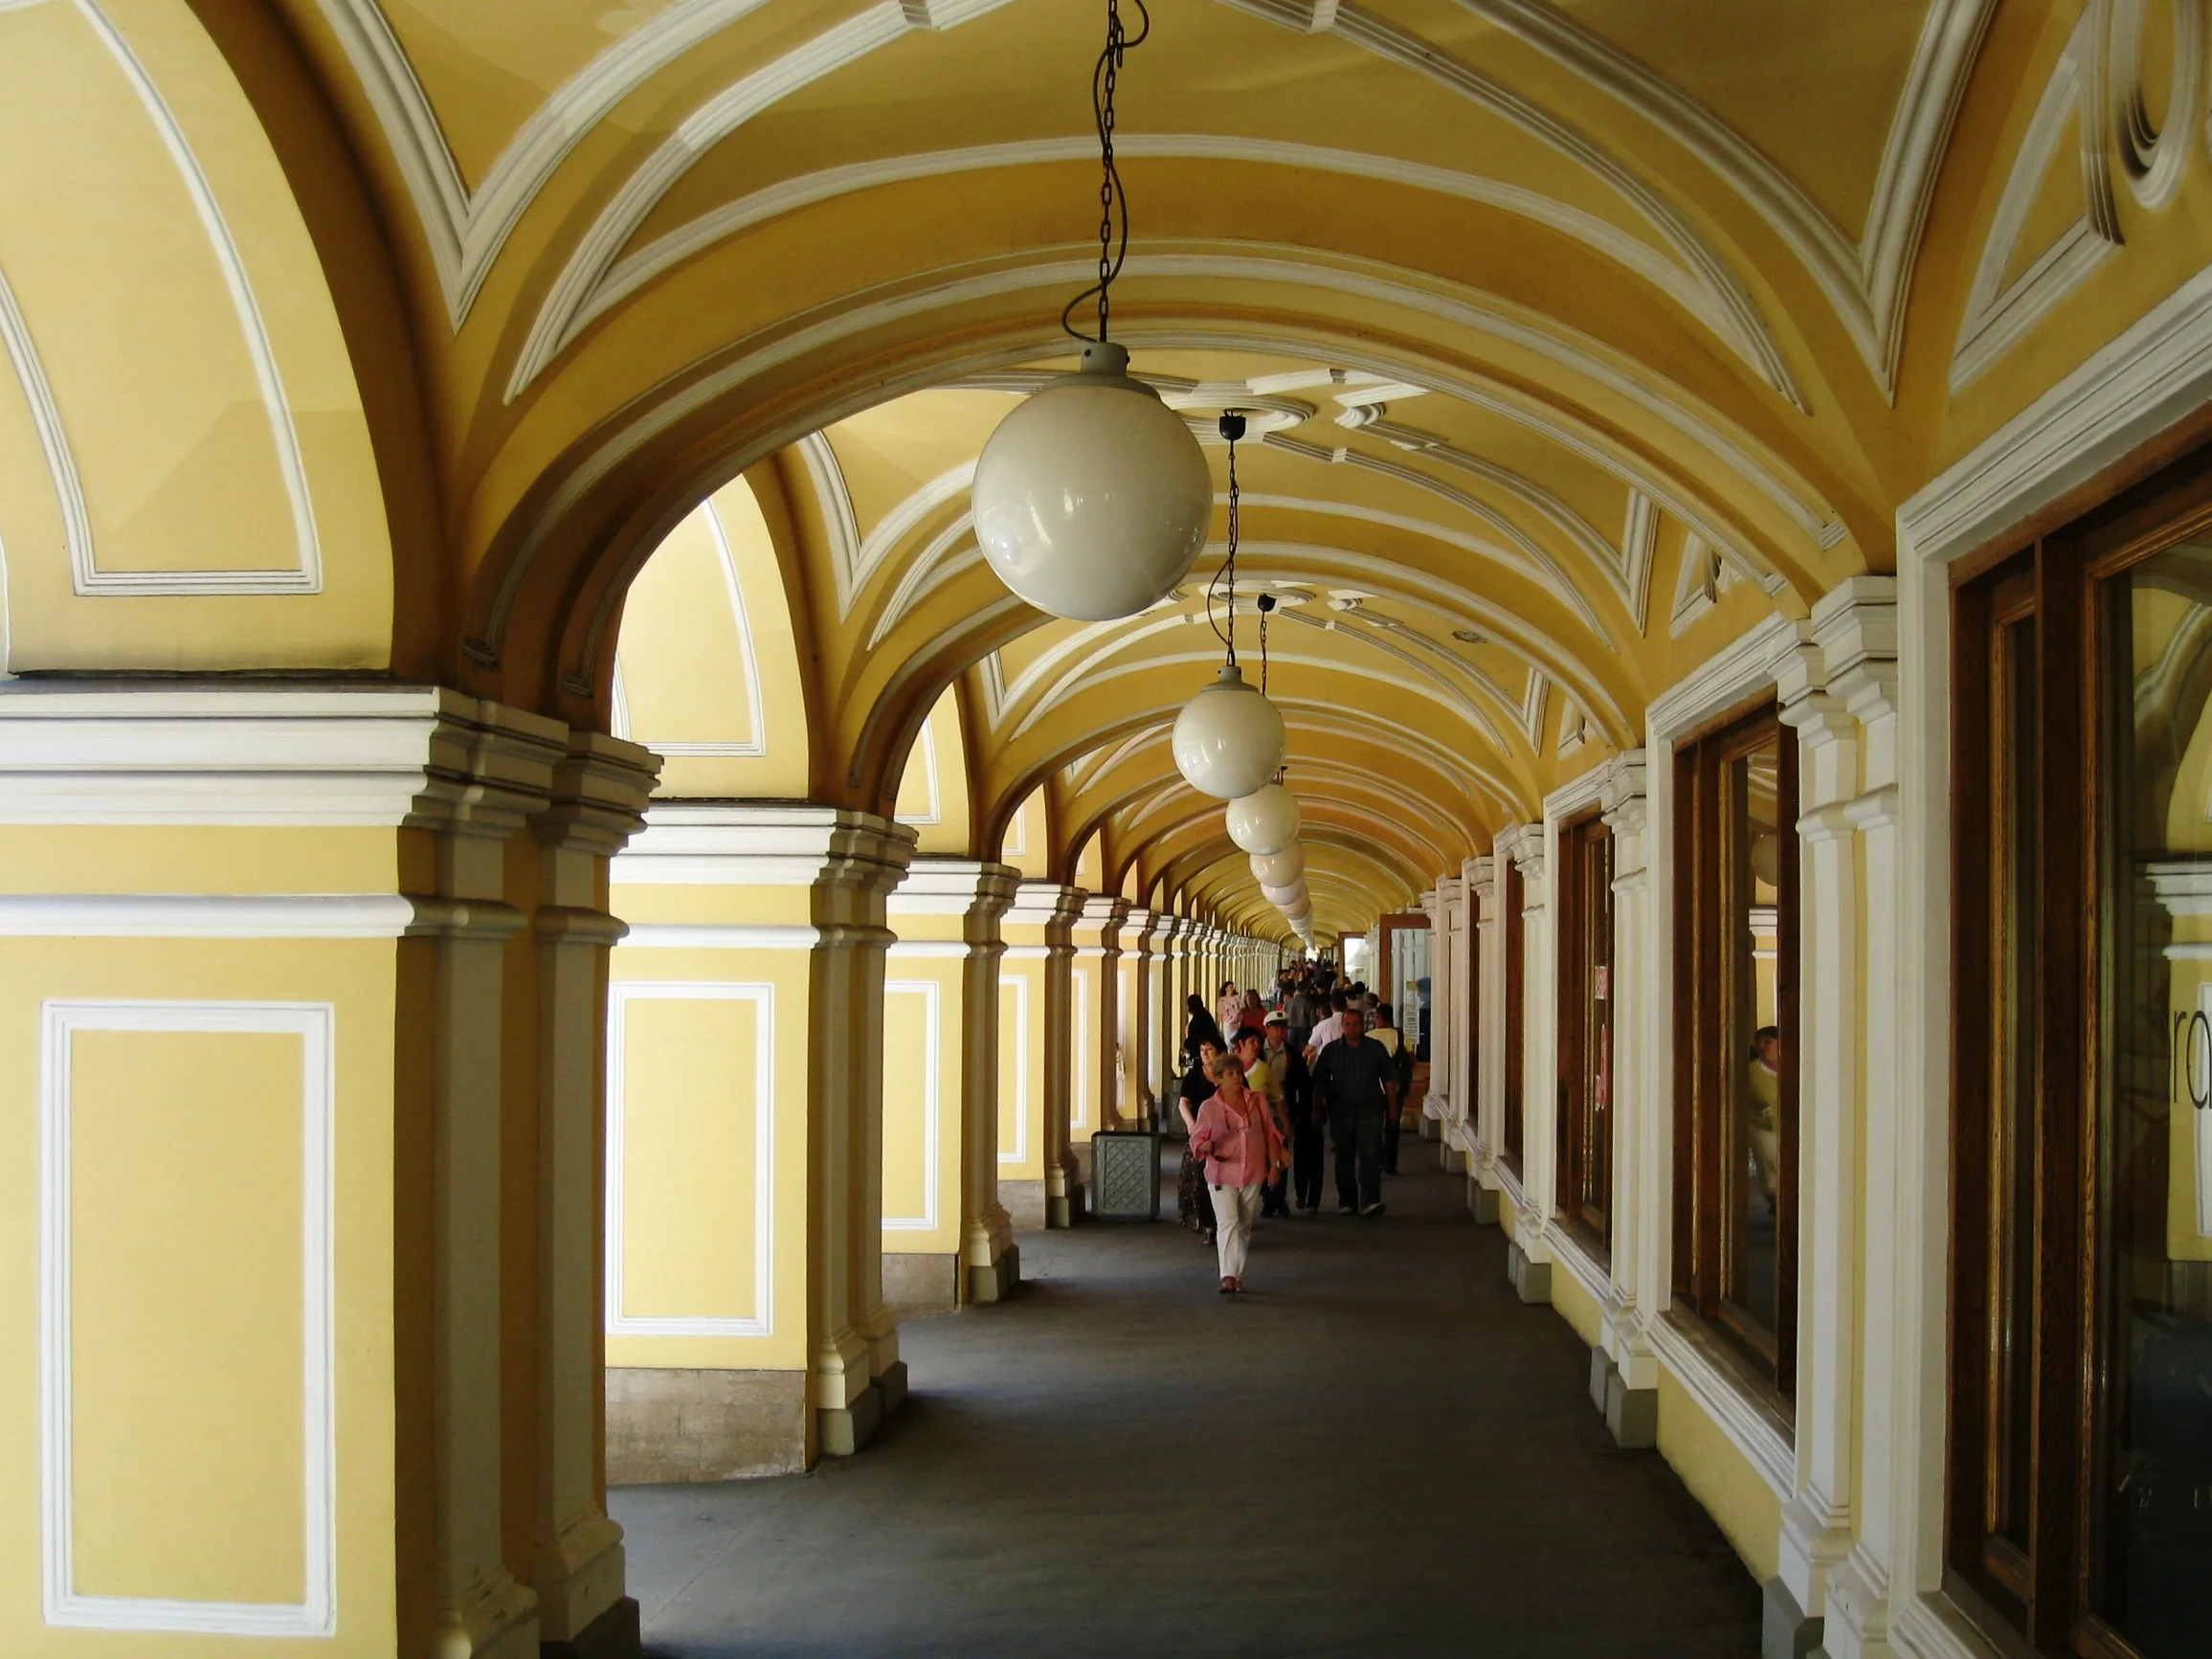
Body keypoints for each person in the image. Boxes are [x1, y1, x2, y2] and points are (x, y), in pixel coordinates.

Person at [1190, 1051, 1286, 1292]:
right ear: (1218, 1079)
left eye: (1238, 1073)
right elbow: (1197, 1140)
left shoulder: (1257, 1100)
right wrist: (1205, 1146)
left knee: (1244, 1224)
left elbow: (1270, 1133)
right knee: (1228, 1222)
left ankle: (1237, 1275)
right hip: (1222, 1174)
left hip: (1253, 1171)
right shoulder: (1209, 1108)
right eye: (1230, 1074)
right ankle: (1228, 1276)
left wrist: (1274, 1166)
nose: (1235, 1077)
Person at [1311, 1006, 1394, 1216]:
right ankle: (1347, 1201)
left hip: (1370, 1108)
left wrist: (1393, 1108)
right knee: (1344, 1155)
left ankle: (1370, 1201)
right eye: (1347, 1024)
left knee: (1371, 1154)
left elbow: (1390, 1079)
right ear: (1342, 1026)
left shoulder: (1375, 1048)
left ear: (1362, 1026)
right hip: (1341, 1109)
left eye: (1355, 1024)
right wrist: (1316, 1109)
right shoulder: (1331, 1050)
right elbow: (1319, 1082)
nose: (1351, 1028)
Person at [1265, 1009, 1323, 1212]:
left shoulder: (1292, 1054)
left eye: (1283, 1028)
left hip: (1283, 1110)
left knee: (1281, 1154)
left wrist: (1301, 1112)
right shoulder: (1257, 1052)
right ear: (1268, 1029)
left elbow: (1304, 1085)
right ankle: (1267, 1199)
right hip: (1259, 1110)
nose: (1280, 1031)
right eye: (1277, 1027)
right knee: (1262, 1155)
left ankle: (1279, 1198)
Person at [1237, 1028, 1291, 1217]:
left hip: (1264, 1124)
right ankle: (1264, 1199)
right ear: (1240, 1044)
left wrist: (1285, 1123)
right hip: (1239, 1128)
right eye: (1251, 1041)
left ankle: (1276, 1199)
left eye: (1258, 1041)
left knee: (1274, 1161)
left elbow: (1276, 1098)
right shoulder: (1231, 1068)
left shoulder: (1263, 1069)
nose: (1257, 1045)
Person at [1177, 1036, 1225, 1242]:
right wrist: (1190, 1124)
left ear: (1221, 1052)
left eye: (1210, 1049)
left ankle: (1222, 1221)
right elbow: (1183, 1103)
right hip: (1201, 1133)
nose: (1205, 1053)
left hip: (1225, 1134)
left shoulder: (1230, 1074)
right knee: (1198, 1179)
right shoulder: (1194, 1075)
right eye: (1202, 1049)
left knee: (1222, 1179)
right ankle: (1206, 1222)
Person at [1746, 1026, 1781, 1205]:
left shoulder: (1794, 1067)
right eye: (1759, 1042)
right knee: (1771, 1172)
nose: (1762, 1046)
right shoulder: (1752, 1072)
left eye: (1768, 1042)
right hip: (1764, 1129)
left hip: (1790, 1128)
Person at [1369, 1000, 1404, 1176]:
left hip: (1373, 1088)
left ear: (1379, 1017)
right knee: (1392, 1126)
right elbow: (1409, 1058)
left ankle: (1375, 1162)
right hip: (1395, 1089)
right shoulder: (1399, 1036)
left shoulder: (1369, 1036)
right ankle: (1390, 1164)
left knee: (1373, 1127)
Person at [1304, 990, 1350, 1066]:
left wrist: (1302, 1056)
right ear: (1346, 1006)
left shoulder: (1323, 1025)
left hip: (1328, 1065)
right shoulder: (1354, 1023)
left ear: (1331, 1007)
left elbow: (1310, 1048)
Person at [1215, 980, 1242, 1044]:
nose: (1232, 988)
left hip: (1236, 1022)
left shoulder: (1236, 998)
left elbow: (1241, 1007)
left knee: (1237, 1039)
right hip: (1228, 1022)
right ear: (1226, 989)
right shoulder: (1222, 1000)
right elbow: (1220, 1011)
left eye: (1232, 987)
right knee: (1228, 1041)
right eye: (1230, 987)